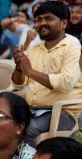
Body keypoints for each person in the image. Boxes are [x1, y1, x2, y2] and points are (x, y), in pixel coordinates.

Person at [11, 1, 82, 147]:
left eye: (48, 18)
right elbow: (18, 83)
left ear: (64, 23)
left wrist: (30, 71)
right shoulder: (35, 48)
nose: (41, 23)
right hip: (33, 110)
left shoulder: (73, 46)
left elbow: (65, 82)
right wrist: (19, 67)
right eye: (38, 20)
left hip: (62, 112)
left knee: (28, 130)